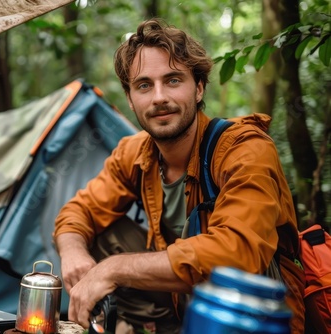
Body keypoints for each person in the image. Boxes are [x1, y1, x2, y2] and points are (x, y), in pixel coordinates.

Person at [53, 18, 305, 334]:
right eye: (144, 85)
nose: (159, 97)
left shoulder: (244, 148)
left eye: (173, 80)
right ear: (130, 99)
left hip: (252, 315)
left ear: (198, 88)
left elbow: (239, 253)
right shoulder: (134, 153)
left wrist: (115, 270)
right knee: (102, 230)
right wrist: (73, 252)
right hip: (180, 303)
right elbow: (77, 212)